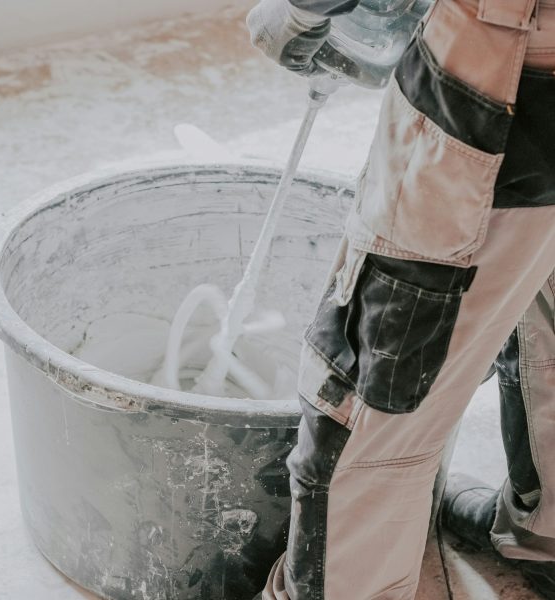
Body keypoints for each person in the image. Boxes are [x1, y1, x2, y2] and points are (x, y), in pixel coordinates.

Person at [246, 0, 555, 598]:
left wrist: (302, 13)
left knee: (378, 381)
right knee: (540, 290)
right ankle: (547, 536)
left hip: (508, 71)